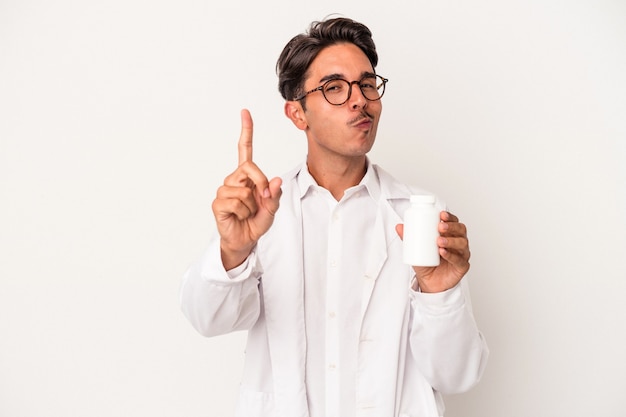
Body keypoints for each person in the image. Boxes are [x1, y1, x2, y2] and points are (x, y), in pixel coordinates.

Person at [180, 16, 488, 417]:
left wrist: (440, 294)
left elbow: (456, 376)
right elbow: (207, 319)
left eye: (367, 84)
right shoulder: (262, 211)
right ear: (298, 114)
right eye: (335, 88)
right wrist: (233, 250)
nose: (359, 99)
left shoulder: (421, 214)